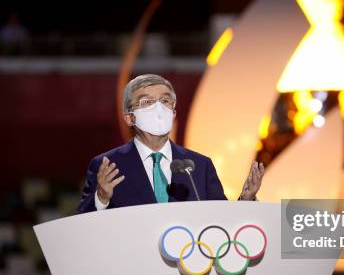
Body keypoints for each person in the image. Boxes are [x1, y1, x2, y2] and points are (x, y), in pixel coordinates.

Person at [76, 74, 264, 213]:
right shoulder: (107, 165)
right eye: (146, 101)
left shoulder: (199, 165)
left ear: (173, 112)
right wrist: (101, 197)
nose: (158, 108)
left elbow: (221, 221)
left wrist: (245, 201)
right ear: (129, 117)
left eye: (165, 101)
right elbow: (81, 223)